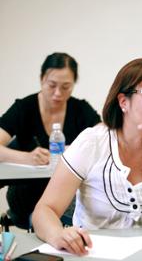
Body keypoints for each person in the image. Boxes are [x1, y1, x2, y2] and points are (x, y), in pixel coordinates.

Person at [32, 57, 142, 255]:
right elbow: (44, 210)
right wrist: (57, 234)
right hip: (93, 255)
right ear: (123, 102)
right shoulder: (93, 142)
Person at [0, 52, 100, 229]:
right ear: (41, 79)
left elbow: (105, 139)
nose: (57, 93)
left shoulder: (80, 109)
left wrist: (76, 149)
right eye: (51, 85)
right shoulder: (24, 108)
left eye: (66, 87)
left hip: (68, 196)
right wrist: (26, 158)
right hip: (27, 195)